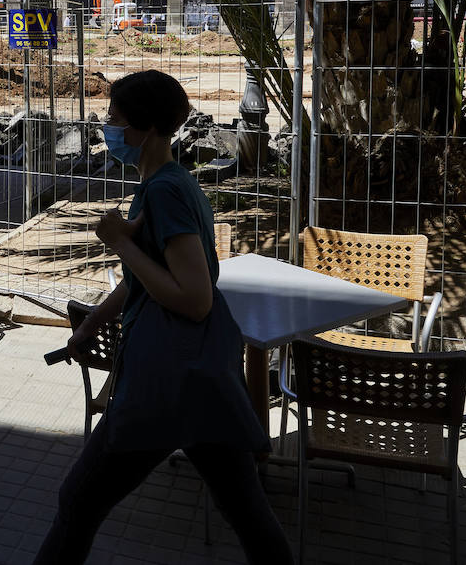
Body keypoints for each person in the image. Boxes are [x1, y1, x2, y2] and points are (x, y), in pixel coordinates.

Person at [35, 70, 293, 565]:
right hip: (201, 384)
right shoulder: (171, 183)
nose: (108, 129)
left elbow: (194, 296)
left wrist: (118, 244)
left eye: (114, 119)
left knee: (77, 503)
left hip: (165, 386)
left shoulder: (164, 192)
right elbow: (151, 275)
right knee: (246, 512)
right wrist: (94, 320)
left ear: (146, 128)